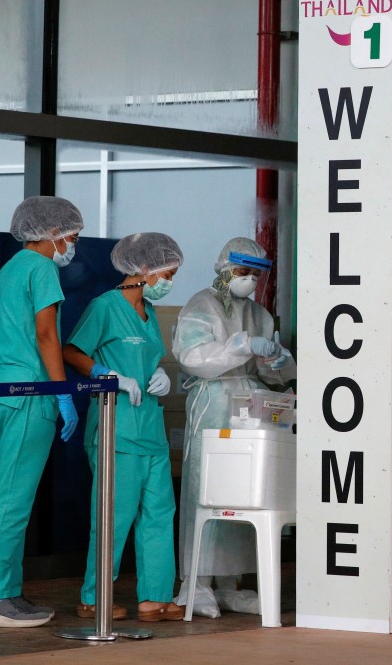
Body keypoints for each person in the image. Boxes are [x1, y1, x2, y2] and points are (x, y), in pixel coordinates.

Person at [63, 232, 185, 622]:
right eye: (168, 273)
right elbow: (72, 350)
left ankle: (154, 597)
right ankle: (92, 597)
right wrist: (105, 374)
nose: (170, 282)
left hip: (151, 430)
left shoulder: (148, 315)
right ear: (143, 269)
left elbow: (148, 362)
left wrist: (162, 378)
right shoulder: (106, 306)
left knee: (159, 513)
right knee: (113, 516)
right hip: (116, 432)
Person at [172, 237, 295, 617]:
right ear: (224, 268)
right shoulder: (201, 305)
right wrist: (240, 346)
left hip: (250, 406)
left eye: (255, 275)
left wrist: (278, 363)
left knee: (246, 492)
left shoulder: (260, 314)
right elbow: (193, 357)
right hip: (213, 402)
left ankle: (231, 584)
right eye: (243, 272)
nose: (249, 281)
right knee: (205, 490)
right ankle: (196, 583)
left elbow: (266, 370)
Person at [0, 196, 84, 628]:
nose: (72, 246)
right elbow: (45, 335)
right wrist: (61, 392)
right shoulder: (41, 269)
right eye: (71, 237)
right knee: (14, 500)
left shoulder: (10, 268)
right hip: (28, 393)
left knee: (7, 496)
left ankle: (6, 590)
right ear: (51, 234)